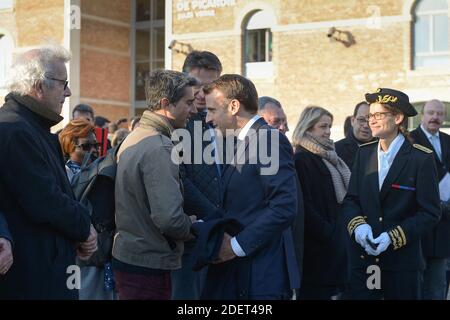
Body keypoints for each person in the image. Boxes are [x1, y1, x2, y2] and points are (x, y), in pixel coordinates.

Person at [0, 44, 97, 299]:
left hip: (47, 271)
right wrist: (84, 227)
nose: (68, 92)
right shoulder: (14, 130)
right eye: (63, 83)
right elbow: (45, 201)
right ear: (38, 85)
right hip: (33, 280)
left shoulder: (34, 128)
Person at [201, 74, 299, 299]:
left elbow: (284, 207)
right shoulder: (240, 142)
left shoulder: (268, 140)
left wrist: (235, 246)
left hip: (261, 276)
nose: (207, 118)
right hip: (240, 274)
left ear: (234, 106)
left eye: (213, 110)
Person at [343, 88, 441, 300]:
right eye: (370, 115)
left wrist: (392, 237)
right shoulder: (364, 153)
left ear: (397, 118)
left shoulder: (420, 159)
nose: (372, 120)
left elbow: (430, 212)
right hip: (366, 261)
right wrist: (359, 227)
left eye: (379, 115)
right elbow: (352, 200)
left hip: (402, 264)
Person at [112, 69, 197, 300]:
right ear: (166, 104)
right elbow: (169, 218)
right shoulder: (159, 146)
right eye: (188, 102)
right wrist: (192, 226)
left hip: (134, 256)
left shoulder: (138, 135)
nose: (194, 109)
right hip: (148, 264)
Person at [171, 50, 223, 300]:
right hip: (190, 240)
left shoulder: (227, 124)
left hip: (224, 238)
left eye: (209, 86)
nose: (202, 94)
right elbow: (180, 180)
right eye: (196, 86)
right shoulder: (176, 124)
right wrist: (215, 216)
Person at [292, 106, 350, 299]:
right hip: (316, 252)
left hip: (333, 249)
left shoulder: (329, 156)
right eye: (322, 126)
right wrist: (330, 233)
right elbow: (304, 205)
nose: (327, 131)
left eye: (330, 127)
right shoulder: (302, 158)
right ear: (308, 128)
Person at [410, 99, 450, 300]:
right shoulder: (409, 140)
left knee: (437, 286)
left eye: (439, 114)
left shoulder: (448, 140)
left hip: (444, 227)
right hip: (418, 223)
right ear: (422, 115)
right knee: (414, 285)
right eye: (431, 113)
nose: (435, 117)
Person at [336, 102, 375, 169]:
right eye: (361, 120)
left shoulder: (383, 150)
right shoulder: (336, 150)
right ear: (352, 121)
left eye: (371, 121)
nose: (366, 125)